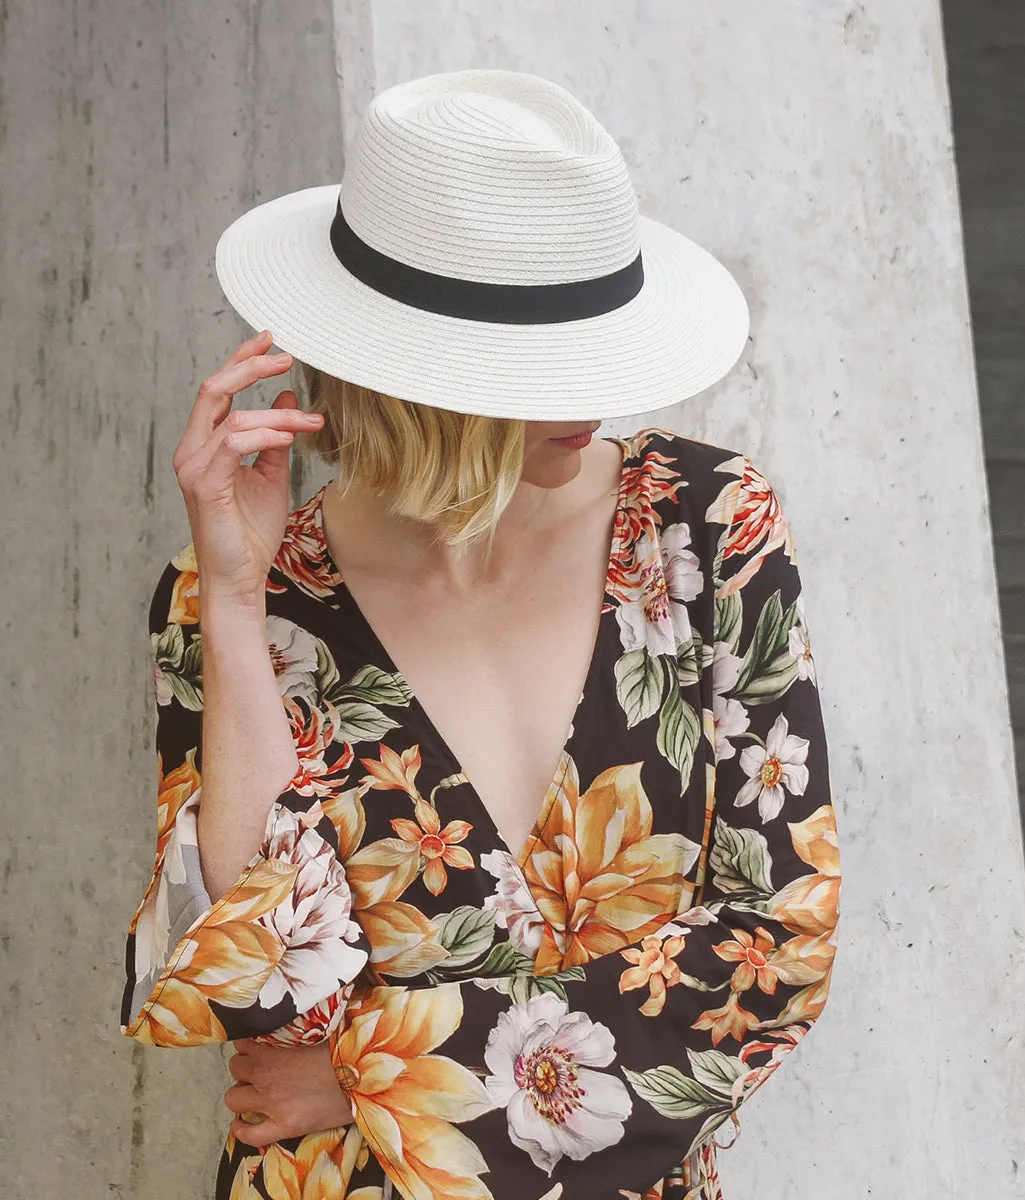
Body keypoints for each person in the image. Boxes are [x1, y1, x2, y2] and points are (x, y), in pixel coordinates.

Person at [119, 68, 841, 1200]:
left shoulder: (706, 534)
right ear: (404, 371)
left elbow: (774, 948)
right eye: (533, 365)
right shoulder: (249, 598)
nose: (591, 392)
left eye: (596, 340)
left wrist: (368, 1079)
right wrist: (239, 600)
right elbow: (258, 985)